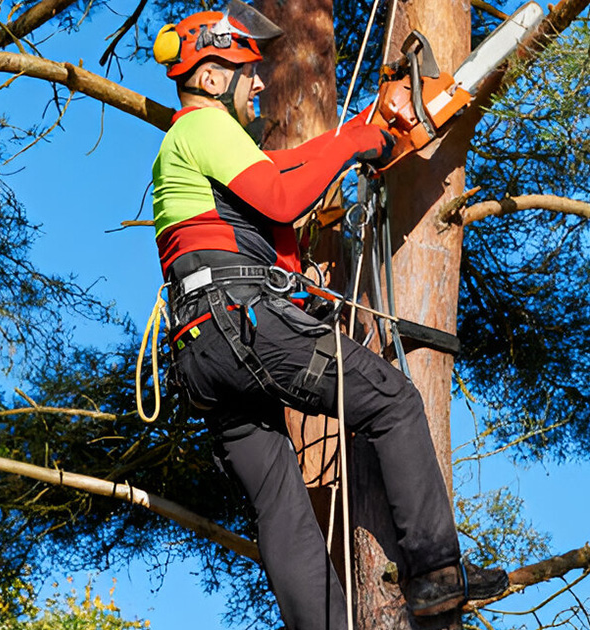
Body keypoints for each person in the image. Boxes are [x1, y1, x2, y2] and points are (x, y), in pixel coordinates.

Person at [148, 3, 509, 629]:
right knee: (393, 401)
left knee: (280, 505)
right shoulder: (202, 128)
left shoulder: (190, 150)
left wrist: (358, 136)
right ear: (209, 79)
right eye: (245, 70)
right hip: (241, 324)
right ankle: (435, 574)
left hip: (202, 349)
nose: (259, 82)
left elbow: (280, 176)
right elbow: (285, 196)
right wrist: (352, 140)